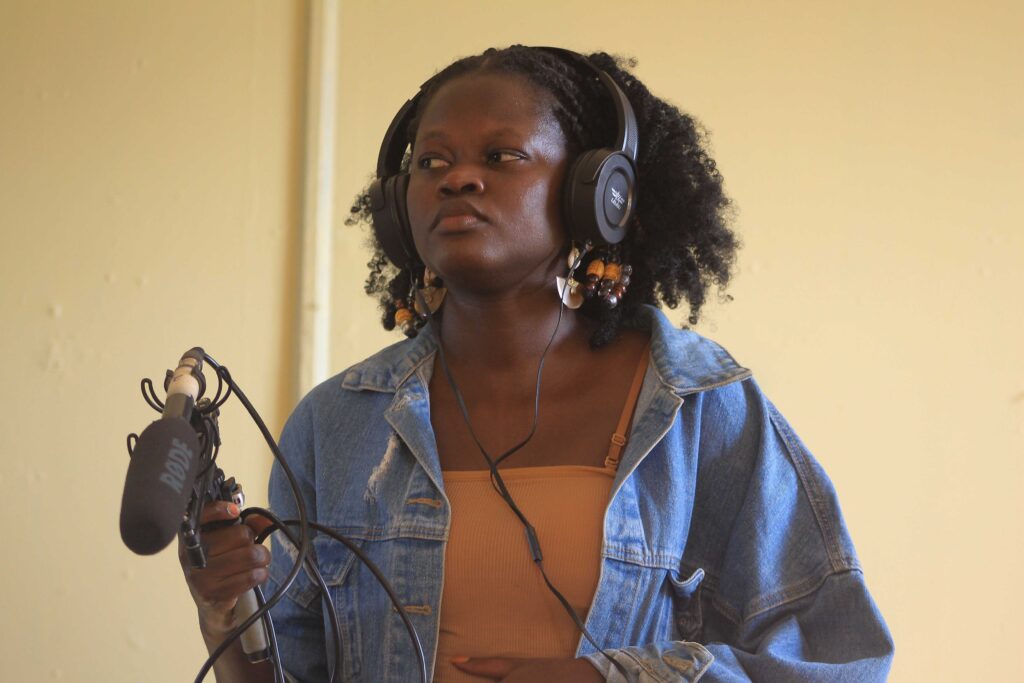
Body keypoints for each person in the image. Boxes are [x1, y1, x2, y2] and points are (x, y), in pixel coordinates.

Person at [181, 46, 894, 682]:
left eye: (501, 157)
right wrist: (223, 606)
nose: (459, 178)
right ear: (400, 209)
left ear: (597, 193)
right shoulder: (335, 422)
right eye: (432, 162)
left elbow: (840, 662)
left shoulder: (703, 409)